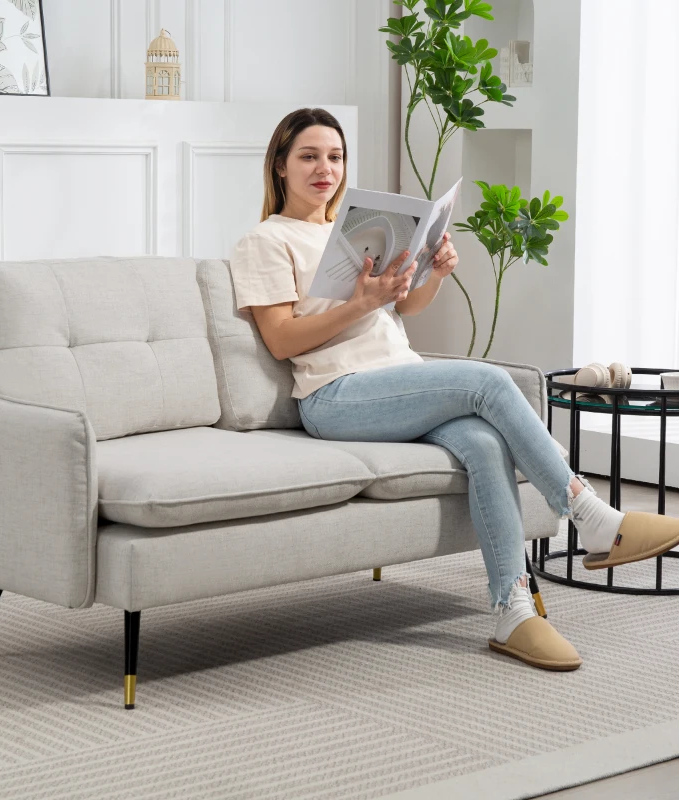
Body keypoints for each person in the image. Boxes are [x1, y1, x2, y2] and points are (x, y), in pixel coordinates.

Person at [228, 107, 679, 672]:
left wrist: (431, 274)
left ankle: (514, 612)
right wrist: (360, 302)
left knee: (484, 445)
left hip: (398, 378)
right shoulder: (266, 241)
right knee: (487, 380)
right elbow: (281, 340)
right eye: (309, 156)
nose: (326, 168)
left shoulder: (350, 231)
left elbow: (403, 307)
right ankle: (590, 515)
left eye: (335, 156)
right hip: (336, 395)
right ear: (279, 165)